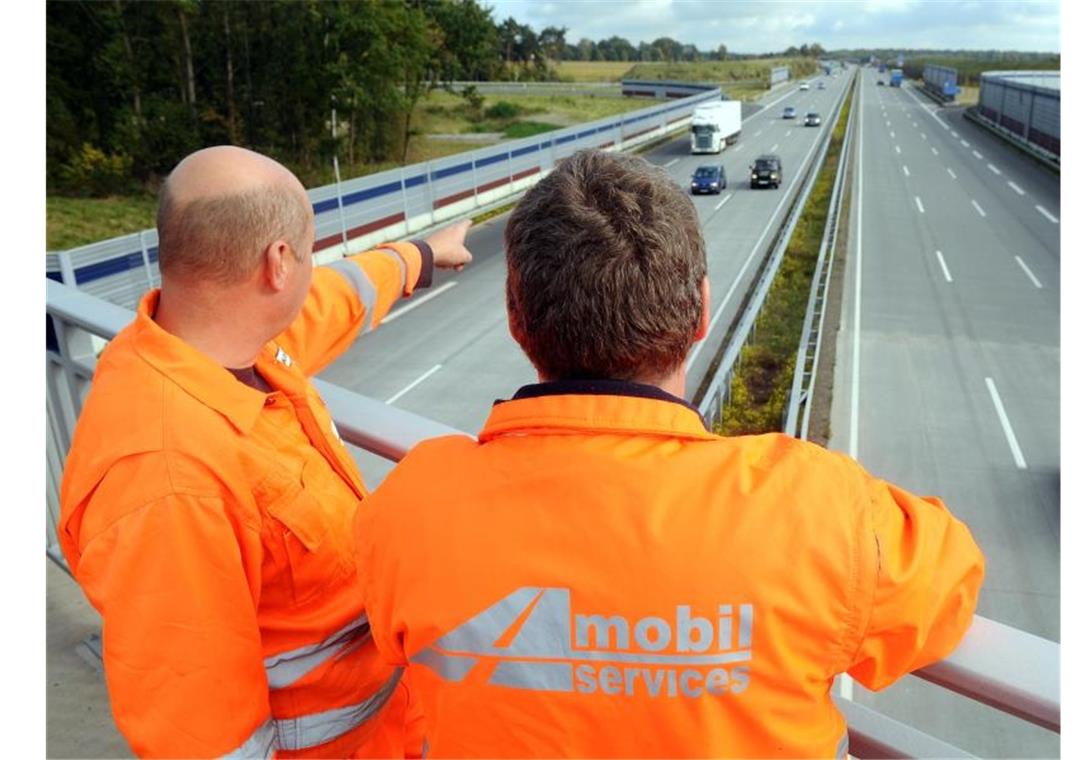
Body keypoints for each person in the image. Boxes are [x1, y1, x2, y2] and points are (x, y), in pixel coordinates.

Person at [354, 149, 985, 757]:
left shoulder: (410, 507)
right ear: (702, 311)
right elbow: (947, 584)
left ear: (517, 319)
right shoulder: (816, 510)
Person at [58, 145, 472, 758]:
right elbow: (199, 738)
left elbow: (334, 299)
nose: (314, 269)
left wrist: (419, 255)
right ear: (279, 263)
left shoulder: (213, 346)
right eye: (309, 251)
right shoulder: (167, 477)